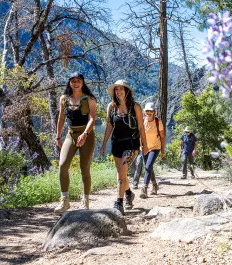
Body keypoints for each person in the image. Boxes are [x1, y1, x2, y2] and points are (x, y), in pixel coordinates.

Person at [100, 80, 146, 215]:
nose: (118, 91)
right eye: (116, 89)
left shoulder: (135, 107)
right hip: (117, 144)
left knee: (120, 173)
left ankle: (118, 203)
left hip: (131, 144)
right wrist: (104, 144)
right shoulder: (111, 107)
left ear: (127, 91)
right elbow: (109, 126)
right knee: (122, 173)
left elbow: (141, 128)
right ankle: (128, 193)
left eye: (121, 89)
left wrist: (145, 145)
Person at [54, 72, 97, 214]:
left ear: (83, 82)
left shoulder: (89, 99)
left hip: (86, 135)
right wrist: (58, 137)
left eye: (78, 80)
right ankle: (64, 201)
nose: (75, 83)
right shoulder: (64, 98)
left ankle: (85, 201)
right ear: (69, 83)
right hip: (70, 135)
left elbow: (92, 119)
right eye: (73, 81)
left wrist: (85, 134)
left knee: (84, 168)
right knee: (62, 165)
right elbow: (61, 119)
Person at [140, 102, 165, 198]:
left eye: (150, 111)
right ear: (144, 111)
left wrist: (163, 151)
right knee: (148, 167)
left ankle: (144, 188)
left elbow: (162, 137)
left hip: (155, 147)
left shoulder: (158, 122)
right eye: (147, 110)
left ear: (154, 112)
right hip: (144, 148)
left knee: (148, 166)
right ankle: (155, 185)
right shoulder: (142, 121)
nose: (148, 112)